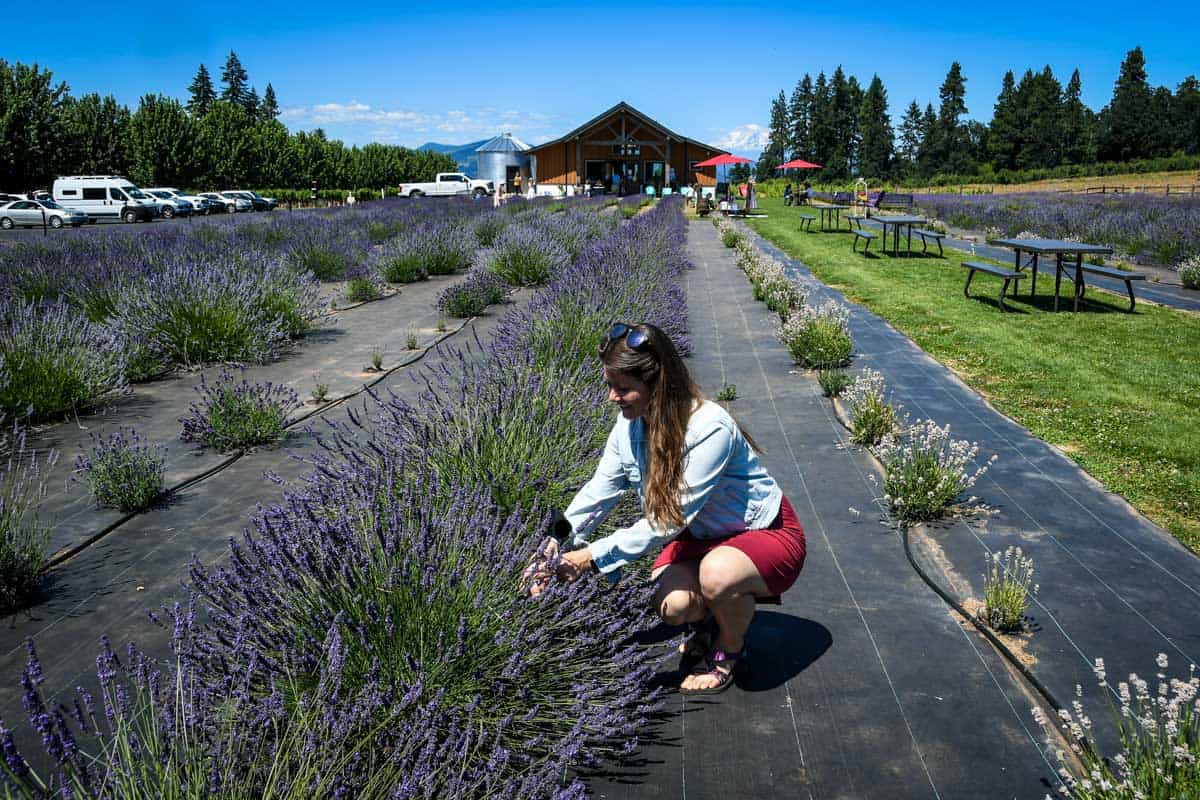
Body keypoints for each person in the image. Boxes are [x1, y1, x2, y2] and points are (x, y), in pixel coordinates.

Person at [528, 323, 807, 695]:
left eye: (623, 388)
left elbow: (668, 521)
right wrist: (552, 546)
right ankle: (714, 621)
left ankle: (730, 648)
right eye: (609, 385)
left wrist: (589, 558)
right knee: (675, 607)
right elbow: (599, 491)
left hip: (764, 533)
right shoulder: (630, 426)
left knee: (717, 575)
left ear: (658, 385)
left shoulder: (708, 428)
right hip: (700, 538)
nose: (612, 397)